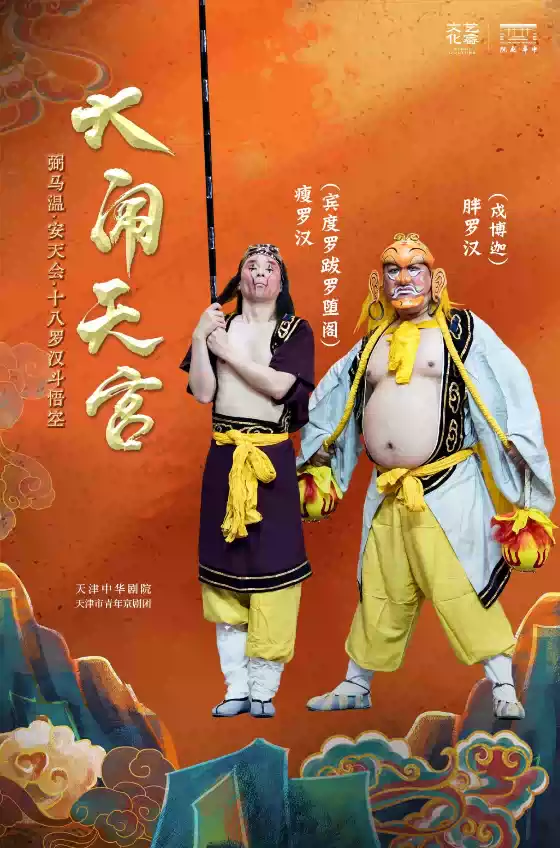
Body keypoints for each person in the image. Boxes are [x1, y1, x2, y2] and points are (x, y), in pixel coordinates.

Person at [297, 232, 555, 719]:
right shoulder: (371, 343)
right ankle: (356, 684)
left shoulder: (462, 331)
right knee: (380, 587)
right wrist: (318, 457)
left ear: (435, 279)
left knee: (463, 585)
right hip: (387, 491)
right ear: (379, 282)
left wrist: (522, 468)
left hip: (448, 487)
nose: (403, 278)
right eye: (392, 270)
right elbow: (334, 401)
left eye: (414, 268)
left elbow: (507, 390)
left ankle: (502, 683)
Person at [180, 244, 314, 718]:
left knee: (276, 574)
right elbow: (203, 393)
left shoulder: (294, 330)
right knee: (224, 574)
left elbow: (280, 386)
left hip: (271, 461)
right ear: (238, 280)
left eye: (269, 268)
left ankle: (263, 689)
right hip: (224, 457)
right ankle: (236, 687)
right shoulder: (219, 327)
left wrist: (228, 354)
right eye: (251, 267)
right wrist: (200, 337)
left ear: (281, 282)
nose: (259, 274)